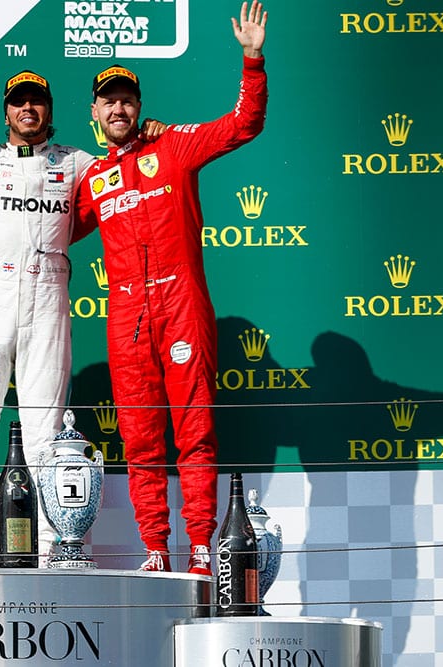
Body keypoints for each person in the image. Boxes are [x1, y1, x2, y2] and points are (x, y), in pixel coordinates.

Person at [73, 0, 269, 575]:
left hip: (181, 304)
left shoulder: (174, 146)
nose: (118, 106)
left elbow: (243, 124)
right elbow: (47, 222)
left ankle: (203, 544)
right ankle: (156, 549)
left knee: (196, 428)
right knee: (139, 438)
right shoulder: (91, 176)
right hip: (127, 314)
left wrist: (252, 60)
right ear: (94, 111)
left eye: (126, 97)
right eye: (108, 99)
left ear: (139, 105)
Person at [0, 71, 94, 568]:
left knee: (45, 431)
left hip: (50, 294)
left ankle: (54, 547)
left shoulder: (76, 162)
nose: (27, 109)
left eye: (36, 101)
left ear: (49, 110)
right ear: (6, 110)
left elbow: (123, 174)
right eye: (18, 101)